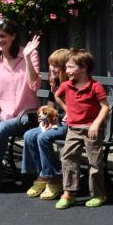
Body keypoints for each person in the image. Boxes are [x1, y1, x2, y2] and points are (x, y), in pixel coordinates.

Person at [0, 19, 41, 196]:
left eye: (3, 36)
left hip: (26, 115)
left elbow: (34, 85)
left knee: (1, 129)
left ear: (13, 36)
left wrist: (28, 57)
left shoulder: (28, 55)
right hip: (3, 115)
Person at [54, 49, 110, 209]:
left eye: (70, 67)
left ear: (83, 67)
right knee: (68, 158)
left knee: (95, 162)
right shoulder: (66, 85)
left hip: (91, 130)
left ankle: (98, 194)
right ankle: (68, 193)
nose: (67, 71)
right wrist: (68, 111)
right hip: (73, 128)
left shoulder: (95, 86)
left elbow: (105, 106)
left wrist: (96, 124)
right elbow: (57, 96)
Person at [23, 48, 72, 201]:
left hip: (69, 124)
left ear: (65, 67)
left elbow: (74, 109)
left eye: (56, 65)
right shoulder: (55, 83)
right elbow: (50, 108)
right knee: (30, 134)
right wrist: (45, 118)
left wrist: (55, 121)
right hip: (56, 121)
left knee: (43, 138)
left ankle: (53, 178)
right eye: (50, 64)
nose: (51, 68)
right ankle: (42, 173)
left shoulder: (71, 84)